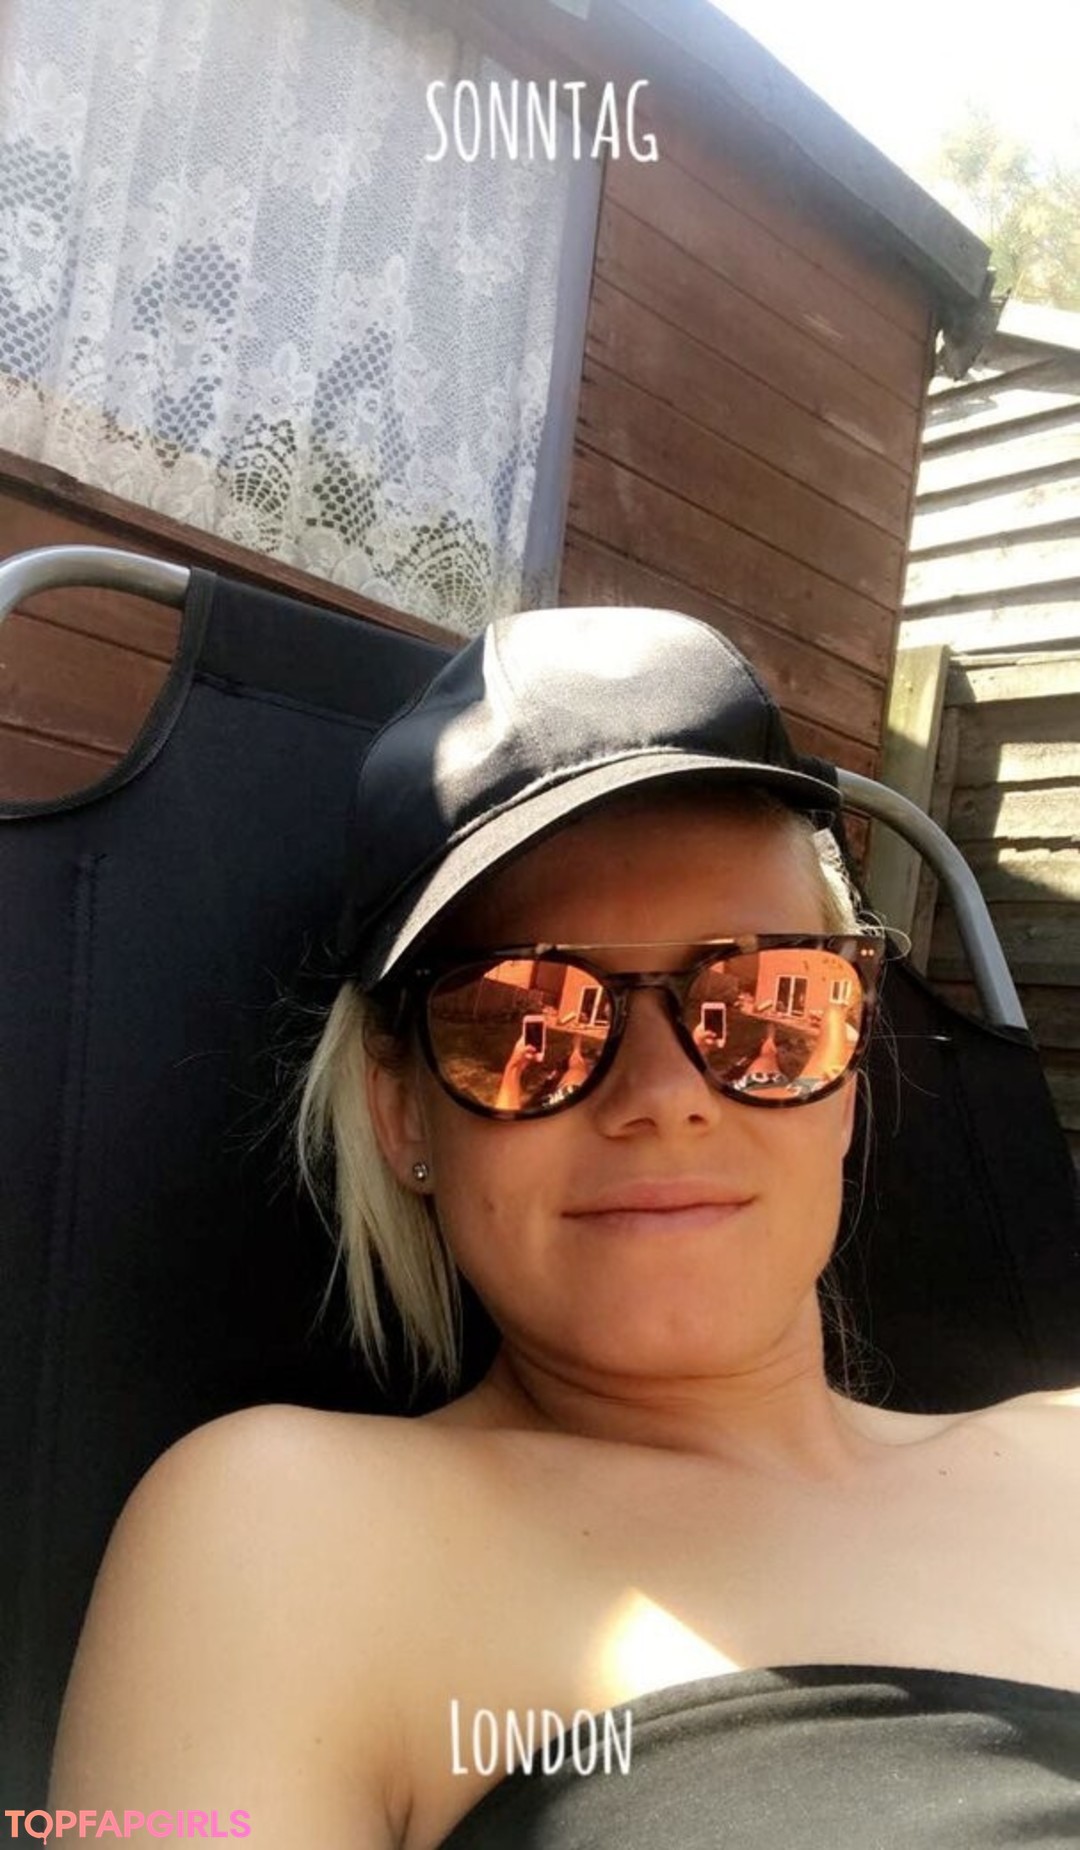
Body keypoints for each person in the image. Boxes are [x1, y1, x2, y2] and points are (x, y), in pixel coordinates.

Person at [49, 608, 1080, 1848]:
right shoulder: (288, 1532)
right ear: (401, 1108)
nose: (664, 1096)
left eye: (768, 1000)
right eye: (525, 1019)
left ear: (847, 1074)